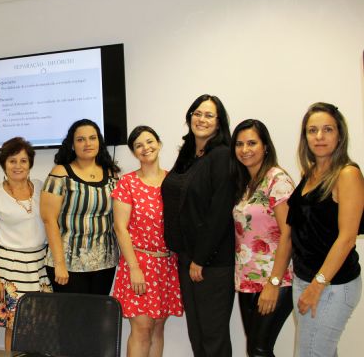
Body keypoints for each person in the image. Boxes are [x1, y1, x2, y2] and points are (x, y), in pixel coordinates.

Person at [160, 94, 235, 357]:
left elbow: (219, 212)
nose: (202, 119)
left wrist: (200, 258)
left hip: (211, 262)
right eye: (197, 113)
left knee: (213, 337)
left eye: (209, 115)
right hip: (187, 257)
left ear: (219, 122)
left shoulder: (223, 155)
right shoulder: (188, 154)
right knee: (197, 334)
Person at [287, 102, 363, 356]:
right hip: (304, 279)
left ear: (339, 135)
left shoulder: (347, 174)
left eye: (327, 129)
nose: (319, 136)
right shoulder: (310, 173)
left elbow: (347, 238)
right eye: (312, 130)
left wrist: (317, 285)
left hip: (332, 285)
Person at [111, 126, 183, 357]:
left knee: (158, 330)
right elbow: (120, 228)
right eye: (138, 145)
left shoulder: (174, 181)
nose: (145, 148)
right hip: (139, 264)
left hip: (167, 266)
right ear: (134, 152)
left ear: (159, 144)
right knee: (142, 330)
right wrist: (134, 269)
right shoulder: (127, 183)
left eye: (150, 142)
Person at [230, 119, 294, 357]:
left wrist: (273, 284)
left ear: (265, 146)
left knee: (259, 350)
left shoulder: (277, 180)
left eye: (251, 143)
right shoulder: (246, 184)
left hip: (276, 280)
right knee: (256, 350)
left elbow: (289, 233)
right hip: (248, 280)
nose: (244, 149)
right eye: (239, 144)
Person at [0, 137, 52, 350]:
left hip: (39, 266)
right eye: (12, 161)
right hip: (10, 270)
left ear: (30, 163)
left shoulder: (40, 187)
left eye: (23, 160)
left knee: (40, 324)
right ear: (4, 164)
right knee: (14, 326)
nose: (18, 166)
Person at [41, 118, 120, 294]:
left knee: (98, 310)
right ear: (72, 145)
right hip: (68, 264)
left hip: (105, 263)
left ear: (99, 142)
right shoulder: (60, 174)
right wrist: (60, 264)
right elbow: (49, 220)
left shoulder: (112, 175)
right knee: (73, 312)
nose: (87, 143)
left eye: (92, 138)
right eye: (80, 139)